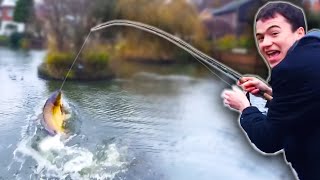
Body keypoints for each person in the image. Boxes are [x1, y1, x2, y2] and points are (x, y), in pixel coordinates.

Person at [221, 1, 320, 179]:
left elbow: (269, 140)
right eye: (260, 37)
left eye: (274, 33)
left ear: (299, 33)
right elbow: (309, 99)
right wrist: (270, 92)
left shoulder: (289, 69)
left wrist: (245, 108)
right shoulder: (315, 47)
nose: (265, 43)